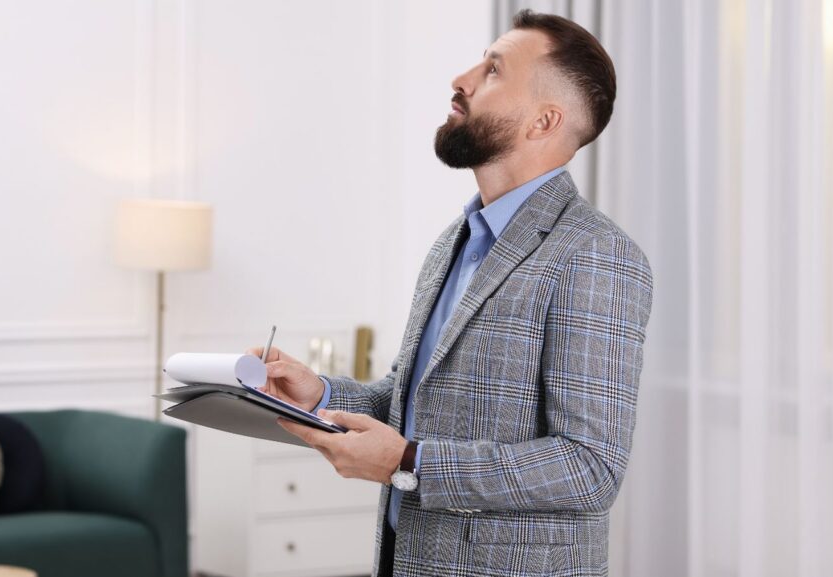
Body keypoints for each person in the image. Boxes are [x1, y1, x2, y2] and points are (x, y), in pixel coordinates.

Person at [247, 10, 653, 577]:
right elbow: (412, 403)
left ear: (544, 122)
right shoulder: (454, 241)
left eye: (493, 70)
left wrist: (409, 462)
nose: (461, 80)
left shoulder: (595, 253)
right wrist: (319, 394)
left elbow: (590, 468)